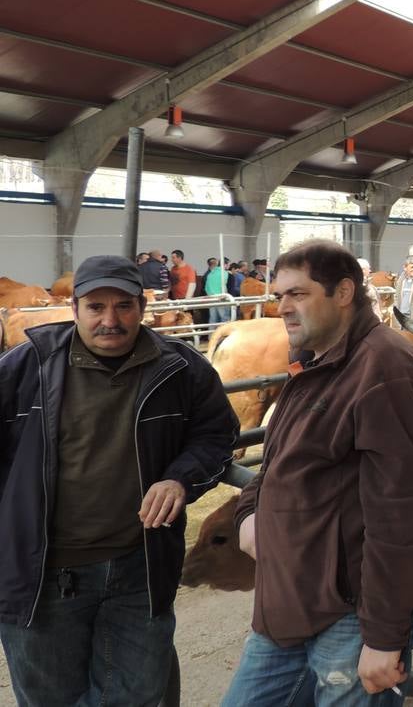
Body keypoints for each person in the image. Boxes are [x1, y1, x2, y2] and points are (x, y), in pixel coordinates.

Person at [0, 255, 237, 706]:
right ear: (75, 309)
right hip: (41, 574)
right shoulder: (25, 368)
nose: (111, 320)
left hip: (138, 568)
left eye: (124, 306)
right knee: (51, 698)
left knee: (139, 695)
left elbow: (215, 434)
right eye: (96, 307)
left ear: (142, 307)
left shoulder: (180, 369)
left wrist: (180, 480)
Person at [223, 241, 413, 706]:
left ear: (344, 292)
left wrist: (384, 637)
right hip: (293, 598)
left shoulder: (386, 370)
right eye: (279, 294)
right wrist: (249, 514)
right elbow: (278, 462)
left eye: (298, 294)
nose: (282, 307)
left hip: (353, 606)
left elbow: (404, 512)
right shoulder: (315, 363)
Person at [205, 255, 230, 324]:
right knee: (224, 318)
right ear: (225, 264)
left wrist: (210, 295)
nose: (229, 267)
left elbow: (206, 288)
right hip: (221, 298)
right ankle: (224, 334)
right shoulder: (224, 273)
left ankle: (211, 334)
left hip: (212, 298)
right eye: (228, 265)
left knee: (213, 319)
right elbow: (223, 285)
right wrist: (225, 296)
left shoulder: (210, 274)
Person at [357, 258, 383, 322]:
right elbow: (375, 307)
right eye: (368, 268)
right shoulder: (366, 288)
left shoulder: (352, 286)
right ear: (363, 270)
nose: (370, 271)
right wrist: (379, 320)